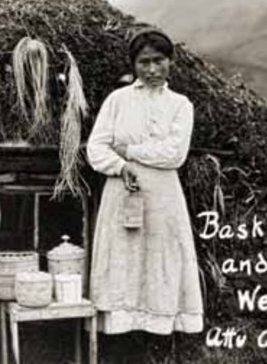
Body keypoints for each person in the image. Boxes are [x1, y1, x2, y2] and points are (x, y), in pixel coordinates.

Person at [86, 27, 203, 354]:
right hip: (121, 192)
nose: (152, 70)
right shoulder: (118, 100)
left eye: (159, 61)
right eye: (144, 62)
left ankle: (159, 341)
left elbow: (174, 154)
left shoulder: (181, 105)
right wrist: (121, 166)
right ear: (133, 64)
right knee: (125, 256)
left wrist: (130, 151)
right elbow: (96, 149)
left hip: (163, 198)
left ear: (170, 62)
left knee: (160, 258)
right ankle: (120, 344)